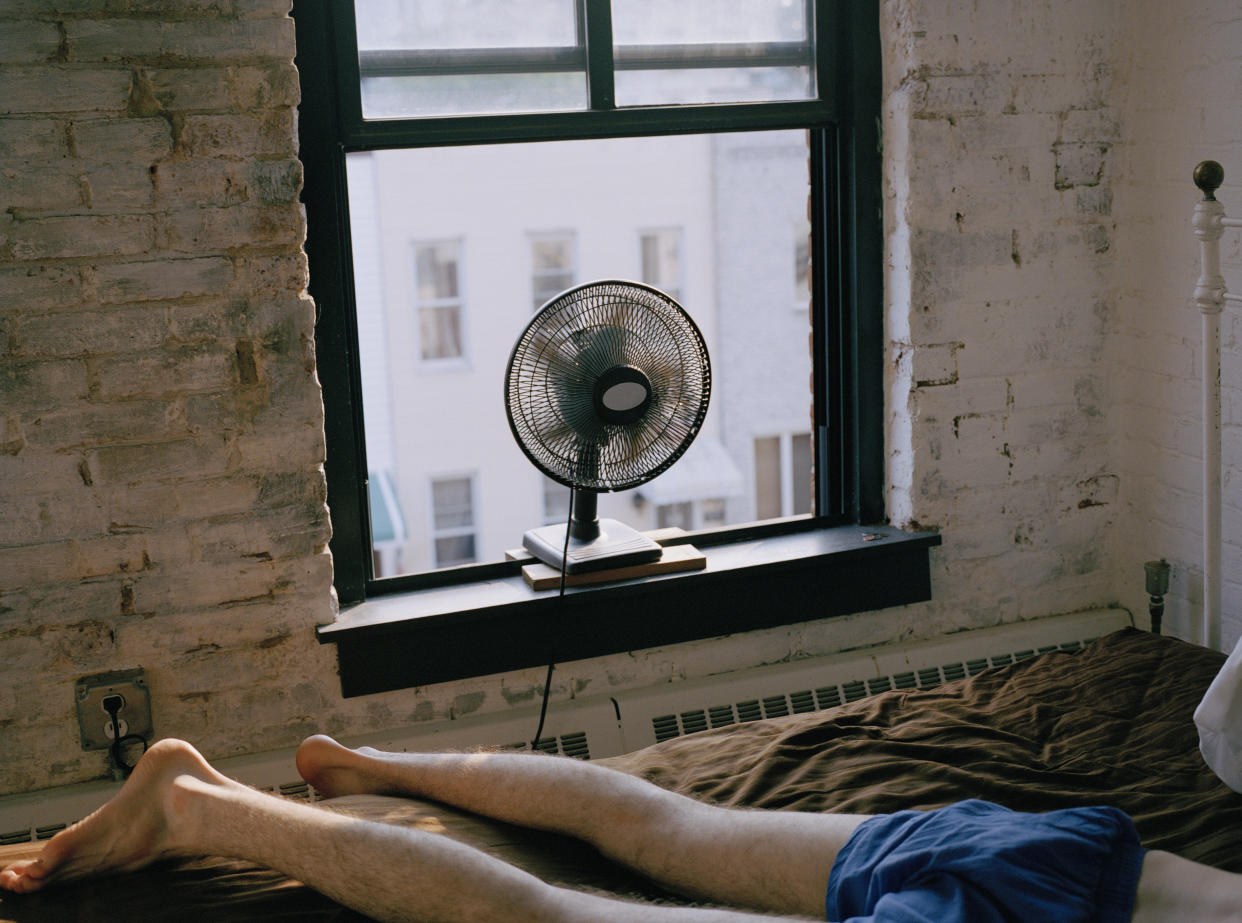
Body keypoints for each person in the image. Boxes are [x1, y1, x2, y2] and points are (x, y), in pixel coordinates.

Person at [1, 735, 1239, 921]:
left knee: (669, 822)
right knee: (540, 913)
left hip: (1062, 850)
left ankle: (356, 759)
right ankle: (198, 806)